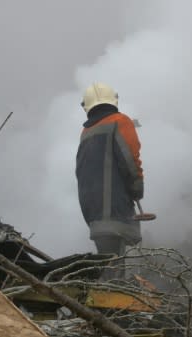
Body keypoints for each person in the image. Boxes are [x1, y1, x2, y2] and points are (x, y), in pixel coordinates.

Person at [76, 82, 143, 257]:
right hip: (115, 210)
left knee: (108, 261)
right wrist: (137, 189)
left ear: (86, 107)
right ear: (114, 101)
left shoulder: (85, 132)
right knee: (114, 269)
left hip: (93, 213)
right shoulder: (120, 121)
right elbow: (130, 161)